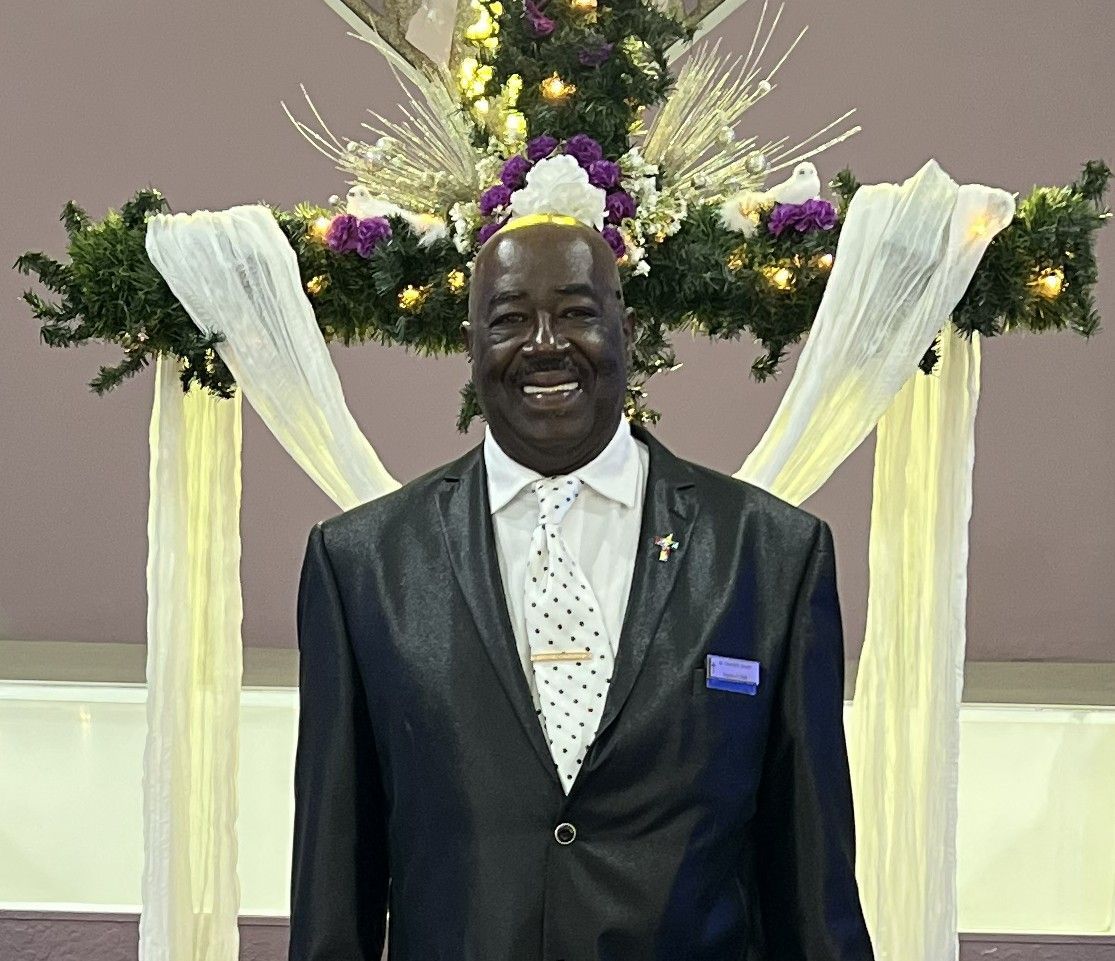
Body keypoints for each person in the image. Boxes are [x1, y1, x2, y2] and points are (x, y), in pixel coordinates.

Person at [288, 213, 875, 961]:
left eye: (574, 313)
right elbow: (332, 893)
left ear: (625, 331)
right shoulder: (361, 564)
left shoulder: (769, 554)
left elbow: (813, 882)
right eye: (508, 320)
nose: (543, 343)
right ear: (470, 347)